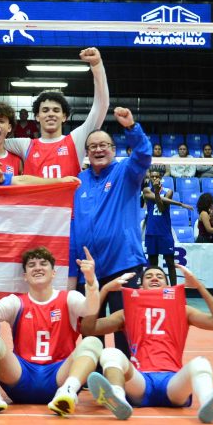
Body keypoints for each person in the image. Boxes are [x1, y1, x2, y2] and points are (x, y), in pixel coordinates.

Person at [81, 265, 213, 424]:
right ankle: (117, 397)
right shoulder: (127, 312)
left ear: (168, 287)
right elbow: (88, 328)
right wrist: (105, 290)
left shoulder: (182, 310)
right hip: (141, 382)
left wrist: (199, 287)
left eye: (159, 276)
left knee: (201, 363)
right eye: (148, 277)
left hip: (172, 382)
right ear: (141, 287)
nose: (154, 278)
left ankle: (208, 402)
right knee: (110, 353)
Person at [0, 246, 102, 416]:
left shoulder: (68, 298)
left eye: (43, 264)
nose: (37, 267)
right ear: (25, 276)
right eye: (31, 265)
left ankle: (68, 391)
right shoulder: (16, 302)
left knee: (92, 342)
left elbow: (91, 309)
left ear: (53, 273)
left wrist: (91, 281)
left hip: (58, 377)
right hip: (21, 377)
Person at [69, 106, 149, 355]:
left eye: (104, 145)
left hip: (123, 263)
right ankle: (94, 371)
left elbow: (144, 155)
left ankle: (125, 374)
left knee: (124, 324)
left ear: (114, 150)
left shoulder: (126, 172)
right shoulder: (78, 183)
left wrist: (131, 128)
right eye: (92, 146)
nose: (98, 149)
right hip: (88, 270)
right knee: (90, 327)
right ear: (86, 153)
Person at [0, 48, 110, 178]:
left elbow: (101, 106)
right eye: (45, 110)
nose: (50, 114)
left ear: (64, 117)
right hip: (35, 204)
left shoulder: (76, 140)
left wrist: (97, 65)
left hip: (68, 204)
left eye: (56, 110)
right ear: (37, 117)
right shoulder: (25, 145)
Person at [142, 168, 193, 284]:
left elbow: (161, 207)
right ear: (150, 178)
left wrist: (157, 192)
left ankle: (174, 289)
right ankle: (153, 290)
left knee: (170, 263)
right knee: (152, 265)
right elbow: (157, 199)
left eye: (157, 177)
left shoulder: (168, 191)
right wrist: (180, 204)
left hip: (165, 232)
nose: (154, 178)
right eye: (152, 176)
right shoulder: (146, 190)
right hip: (151, 232)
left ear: (160, 178)